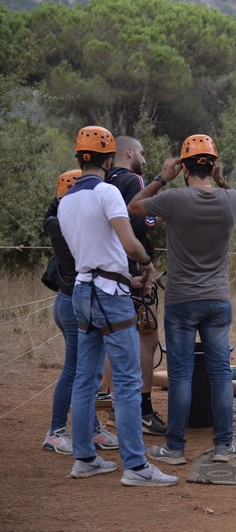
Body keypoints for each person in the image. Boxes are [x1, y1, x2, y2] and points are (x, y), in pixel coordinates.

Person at [57, 125, 177, 486]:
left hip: (82, 289)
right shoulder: (108, 192)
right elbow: (130, 244)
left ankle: (85, 458)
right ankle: (137, 467)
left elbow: (92, 247)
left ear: (80, 157)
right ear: (109, 159)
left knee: (86, 377)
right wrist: (144, 265)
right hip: (111, 293)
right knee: (126, 382)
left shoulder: (66, 200)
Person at [128, 134, 236, 464]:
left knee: (180, 376)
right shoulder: (231, 199)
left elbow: (133, 208)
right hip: (217, 299)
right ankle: (225, 445)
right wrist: (223, 181)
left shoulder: (175, 199)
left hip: (182, 300)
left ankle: (175, 448)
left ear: (183, 168)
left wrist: (160, 178)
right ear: (213, 166)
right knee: (220, 374)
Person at [42, 169, 118, 454]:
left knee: (86, 370)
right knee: (77, 370)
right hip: (75, 304)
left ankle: (90, 428)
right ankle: (56, 431)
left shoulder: (56, 221)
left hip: (66, 302)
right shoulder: (70, 227)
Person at [105, 135, 165, 436]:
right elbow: (143, 225)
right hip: (134, 271)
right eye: (141, 152)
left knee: (113, 338)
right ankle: (142, 407)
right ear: (128, 152)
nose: (144, 157)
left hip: (105, 273)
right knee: (147, 337)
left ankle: (115, 404)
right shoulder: (135, 180)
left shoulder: (102, 180)